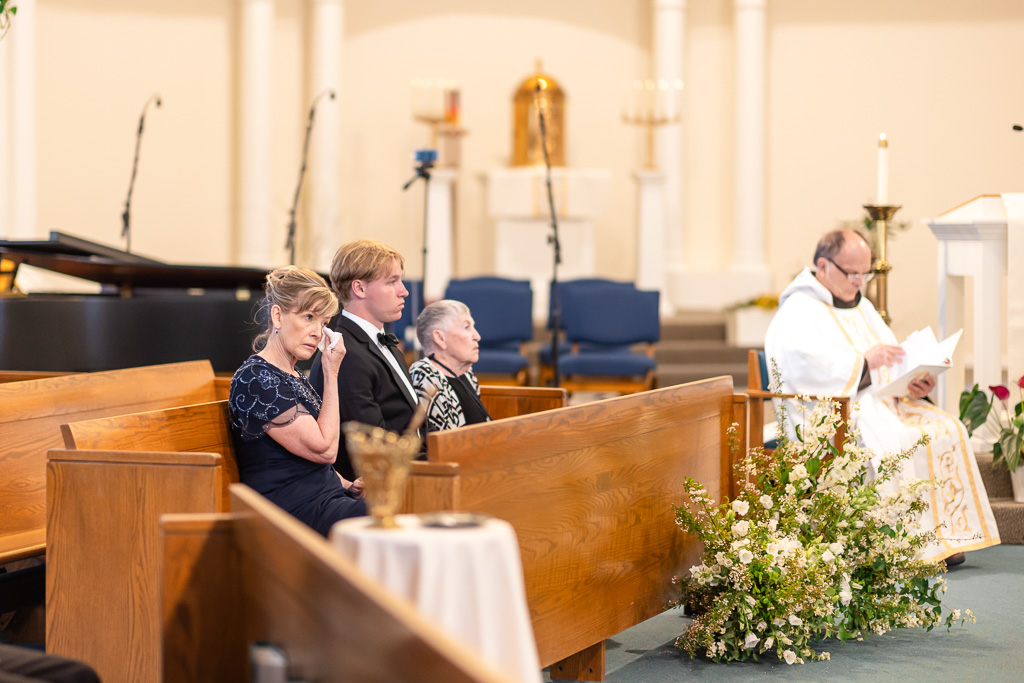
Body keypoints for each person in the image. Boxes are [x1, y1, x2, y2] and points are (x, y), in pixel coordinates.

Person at [764, 229, 999, 565]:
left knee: (947, 428)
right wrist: (863, 363)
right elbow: (800, 368)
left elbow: (891, 360)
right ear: (822, 265)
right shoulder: (798, 311)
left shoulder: (863, 307)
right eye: (853, 273)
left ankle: (942, 536)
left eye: (866, 273)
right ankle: (903, 545)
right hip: (828, 411)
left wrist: (913, 382)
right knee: (896, 437)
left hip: (878, 401)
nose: (860, 282)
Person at [228, 266, 366, 536]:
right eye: (308, 317)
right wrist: (331, 371)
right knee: (395, 512)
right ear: (277, 316)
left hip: (325, 501)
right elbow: (325, 450)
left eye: (324, 323)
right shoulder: (256, 378)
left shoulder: (292, 375)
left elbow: (308, 461)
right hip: (292, 514)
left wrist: (347, 484)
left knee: (404, 502)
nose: (318, 332)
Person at [310, 240, 421, 481]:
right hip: (383, 485)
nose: (404, 291)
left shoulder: (381, 343)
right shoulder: (346, 355)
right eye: (392, 281)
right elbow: (373, 445)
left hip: (413, 470)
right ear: (359, 289)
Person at [409, 300, 492, 433]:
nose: (477, 336)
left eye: (473, 327)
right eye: (466, 327)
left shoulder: (466, 373)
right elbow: (440, 445)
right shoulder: (425, 376)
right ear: (440, 338)